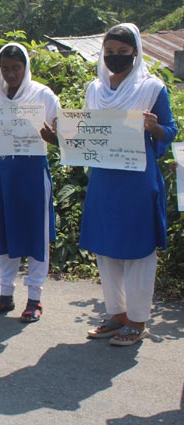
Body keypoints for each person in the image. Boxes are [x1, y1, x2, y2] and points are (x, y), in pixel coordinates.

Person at [80, 24, 177, 345]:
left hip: (137, 181)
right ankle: (116, 315)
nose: (115, 58)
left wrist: (155, 127)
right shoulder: (94, 89)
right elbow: (86, 131)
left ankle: (137, 320)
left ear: (135, 52)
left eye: (123, 52)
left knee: (138, 252)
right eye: (109, 52)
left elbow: (171, 131)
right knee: (106, 251)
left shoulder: (152, 88)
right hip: (104, 180)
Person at [0, 43, 60, 323]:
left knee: (35, 235)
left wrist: (55, 139)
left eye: (16, 68)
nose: (11, 74)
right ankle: (5, 294)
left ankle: (35, 299)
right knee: (5, 232)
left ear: (26, 67)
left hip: (32, 172)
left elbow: (61, 135)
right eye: (5, 68)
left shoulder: (43, 95)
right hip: (3, 171)